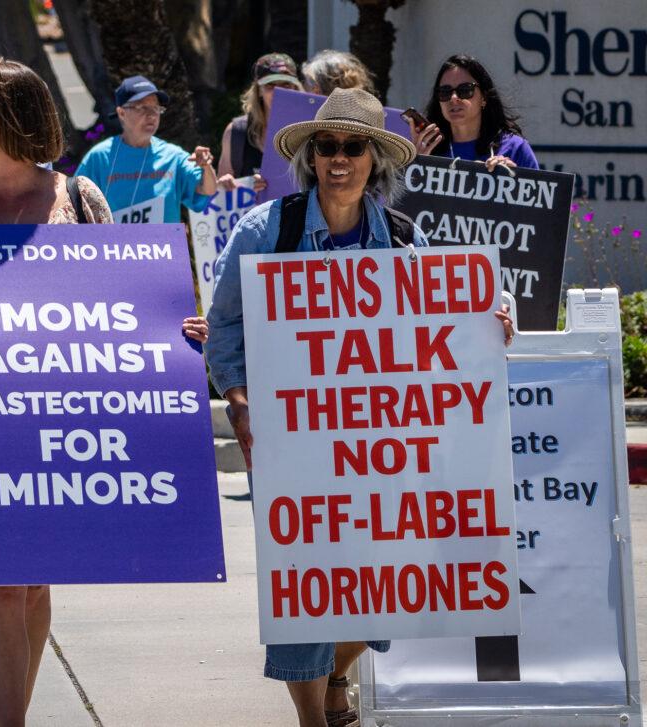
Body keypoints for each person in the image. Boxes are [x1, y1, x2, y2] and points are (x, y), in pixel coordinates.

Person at [0, 58, 206, 726]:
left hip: (66, 419)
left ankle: (18, 711)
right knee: (2, 582)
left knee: (34, 579)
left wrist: (178, 332)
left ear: (14, 118)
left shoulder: (80, 199)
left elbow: (126, 307)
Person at [205, 87, 514, 727]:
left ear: (375, 159)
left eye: (351, 147)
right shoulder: (267, 230)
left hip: (380, 451)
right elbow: (225, 325)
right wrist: (237, 401)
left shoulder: (402, 240)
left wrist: (487, 325)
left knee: (379, 595)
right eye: (326, 146)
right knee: (302, 586)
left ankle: (337, 675)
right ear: (311, 155)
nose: (337, 158)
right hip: (289, 443)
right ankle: (311, 719)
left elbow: (444, 324)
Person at [75, 75, 216, 223]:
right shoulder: (99, 157)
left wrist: (206, 167)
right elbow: (76, 204)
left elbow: (207, 189)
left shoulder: (173, 156)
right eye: (142, 107)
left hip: (164, 245)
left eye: (156, 108)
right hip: (117, 245)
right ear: (122, 113)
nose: (151, 115)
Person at [409, 54, 539, 171]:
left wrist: (515, 180)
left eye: (465, 90)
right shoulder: (427, 151)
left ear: (484, 98)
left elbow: (539, 197)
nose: (454, 98)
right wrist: (416, 165)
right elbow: (402, 197)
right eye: (445, 92)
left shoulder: (515, 148)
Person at [216, 53, 302, 192]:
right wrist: (231, 183)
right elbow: (221, 189)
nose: (278, 91)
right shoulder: (236, 132)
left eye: (286, 84)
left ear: (295, 88)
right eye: (270, 85)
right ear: (259, 91)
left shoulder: (309, 131)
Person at [301, 49, 377, 97]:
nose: (302, 89)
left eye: (306, 84)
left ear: (316, 91)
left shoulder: (298, 118)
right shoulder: (370, 119)